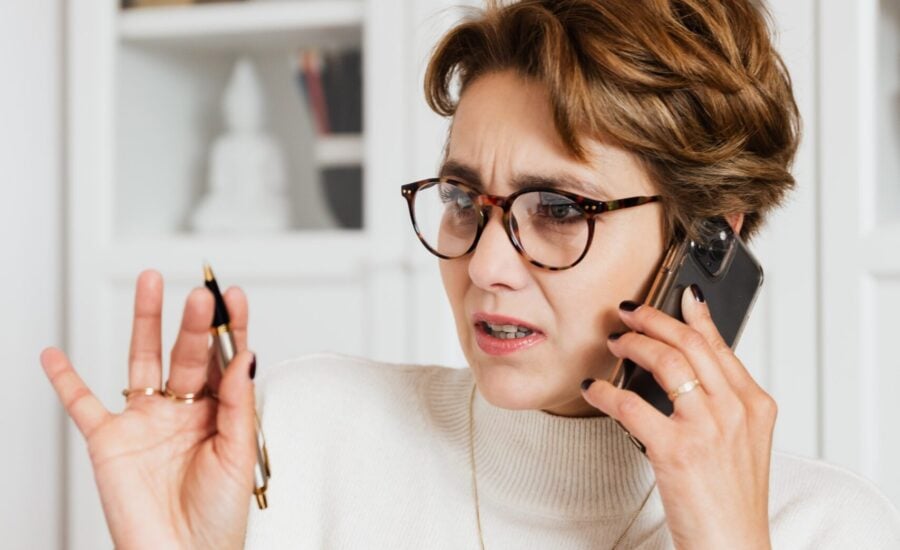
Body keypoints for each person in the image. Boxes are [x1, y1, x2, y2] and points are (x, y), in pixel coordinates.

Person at [40, 0, 900, 548]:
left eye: (559, 208)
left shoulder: (822, 530)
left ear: (709, 236)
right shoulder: (302, 438)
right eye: (462, 196)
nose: (485, 266)